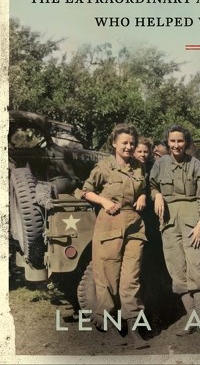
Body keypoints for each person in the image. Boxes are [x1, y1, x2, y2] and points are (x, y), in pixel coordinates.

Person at [74, 123, 148, 347]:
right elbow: (83, 191)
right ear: (114, 144)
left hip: (134, 226)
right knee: (107, 279)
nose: (129, 147)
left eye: (132, 143)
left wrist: (143, 196)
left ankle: (134, 330)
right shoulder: (105, 166)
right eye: (124, 143)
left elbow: (142, 187)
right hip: (110, 226)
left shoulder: (139, 167)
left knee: (131, 279)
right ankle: (110, 328)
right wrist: (104, 201)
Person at [149, 124, 200, 340]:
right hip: (169, 224)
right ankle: (192, 320)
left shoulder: (196, 165)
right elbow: (152, 186)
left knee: (197, 272)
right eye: (172, 141)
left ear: (186, 143)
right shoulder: (159, 165)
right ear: (167, 143)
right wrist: (157, 195)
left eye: (180, 141)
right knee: (178, 274)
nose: (176, 145)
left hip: (193, 222)